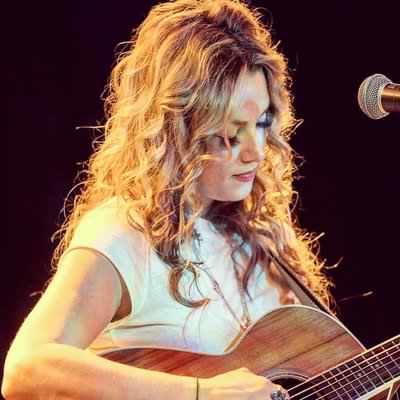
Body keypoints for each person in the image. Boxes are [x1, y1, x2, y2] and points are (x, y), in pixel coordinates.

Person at [2, 0, 333, 399]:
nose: (255, 152)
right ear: (176, 129)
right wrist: (203, 394)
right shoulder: (124, 233)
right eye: (232, 131)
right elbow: (27, 367)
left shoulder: (263, 236)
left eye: (263, 123)